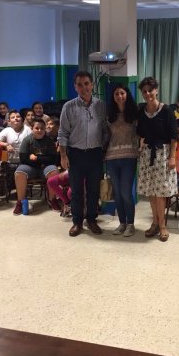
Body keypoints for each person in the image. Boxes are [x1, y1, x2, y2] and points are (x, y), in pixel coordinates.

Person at [58, 71, 108, 237]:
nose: (84, 87)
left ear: (92, 85)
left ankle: (91, 219)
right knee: (76, 190)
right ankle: (77, 222)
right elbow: (63, 133)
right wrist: (63, 156)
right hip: (75, 154)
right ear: (75, 87)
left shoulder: (101, 106)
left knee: (94, 190)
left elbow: (105, 130)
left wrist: (104, 150)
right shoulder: (68, 107)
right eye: (79, 84)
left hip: (95, 154)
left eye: (86, 83)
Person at [136, 76, 178, 242]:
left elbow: (174, 136)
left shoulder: (167, 110)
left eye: (150, 90)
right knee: (151, 193)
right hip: (147, 154)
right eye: (144, 91)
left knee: (160, 193)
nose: (147, 94)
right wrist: (141, 146)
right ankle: (154, 223)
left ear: (156, 90)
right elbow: (140, 132)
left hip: (163, 154)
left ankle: (162, 226)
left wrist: (172, 157)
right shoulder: (141, 111)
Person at [104, 84, 139, 237]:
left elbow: (140, 134)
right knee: (117, 193)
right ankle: (122, 223)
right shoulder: (109, 115)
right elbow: (105, 135)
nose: (119, 96)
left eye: (122, 93)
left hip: (129, 157)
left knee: (126, 192)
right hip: (111, 157)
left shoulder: (135, 113)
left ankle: (130, 224)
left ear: (127, 94)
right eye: (116, 94)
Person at [13, 119, 58, 216]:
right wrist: (42, 160)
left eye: (42, 128)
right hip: (31, 167)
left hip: (45, 167)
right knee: (19, 172)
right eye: (37, 128)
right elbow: (23, 159)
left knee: (54, 171)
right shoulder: (27, 140)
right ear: (32, 129)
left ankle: (52, 200)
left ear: (45, 129)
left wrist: (37, 158)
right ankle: (20, 202)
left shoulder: (49, 141)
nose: (39, 130)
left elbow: (53, 159)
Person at [0, 110, 31, 194]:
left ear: (22, 119)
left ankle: (21, 191)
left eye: (18, 117)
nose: (16, 118)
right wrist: (6, 144)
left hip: (24, 162)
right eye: (13, 117)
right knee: (5, 168)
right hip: (10, 162)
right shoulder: (7, 130)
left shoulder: (27, 130)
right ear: (9, 121)